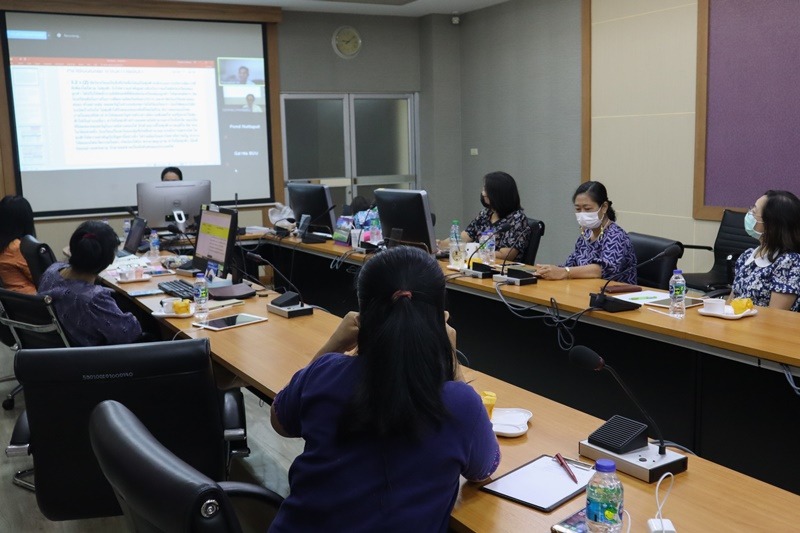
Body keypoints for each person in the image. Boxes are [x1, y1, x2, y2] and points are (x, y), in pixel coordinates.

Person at [268, 246, 500, 532]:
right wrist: (450, 358)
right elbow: (484, 469)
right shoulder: (459, 403)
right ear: (439, 317)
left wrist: (333, 345)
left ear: (362, 312)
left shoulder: (325, 371)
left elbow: (280, 420)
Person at [38, 221, 143, 345]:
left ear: (73, 249)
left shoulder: (51, 271)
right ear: (110, 260)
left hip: (60, 347)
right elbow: (129, 333)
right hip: (95, 354)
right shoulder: (93, 299)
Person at [536, 180, 637, 283]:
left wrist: (564, 272)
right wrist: (548, 271)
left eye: (587, 209)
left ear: (604, 207)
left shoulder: (616, 236)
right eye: (578, 209)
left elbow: (603, 269)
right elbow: (571, 264)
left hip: (614, 291)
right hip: (585, 289)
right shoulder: (586, 234)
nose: (582, 214)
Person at [730, 190, 800, 311]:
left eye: (754, 211)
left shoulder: (790, 262)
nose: (749, 213)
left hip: (764, 323)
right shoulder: (746, 256)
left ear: (771, 224)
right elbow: (730, 303)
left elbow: (775, 315)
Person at [445, 171, 531, 261]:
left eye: (486, 190)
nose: (483, 193)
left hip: (500, 267)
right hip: (478, 264)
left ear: (498, 194)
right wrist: (440, 244)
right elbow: (464, 237)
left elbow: (506, 255)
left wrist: (475, 252)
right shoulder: (485, 214)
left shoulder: (517, 219)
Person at [0, 195, 36, 294]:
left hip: (14, 298)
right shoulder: (15, 247)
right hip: (32, 298)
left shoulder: (4, 244)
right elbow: (40, 276)